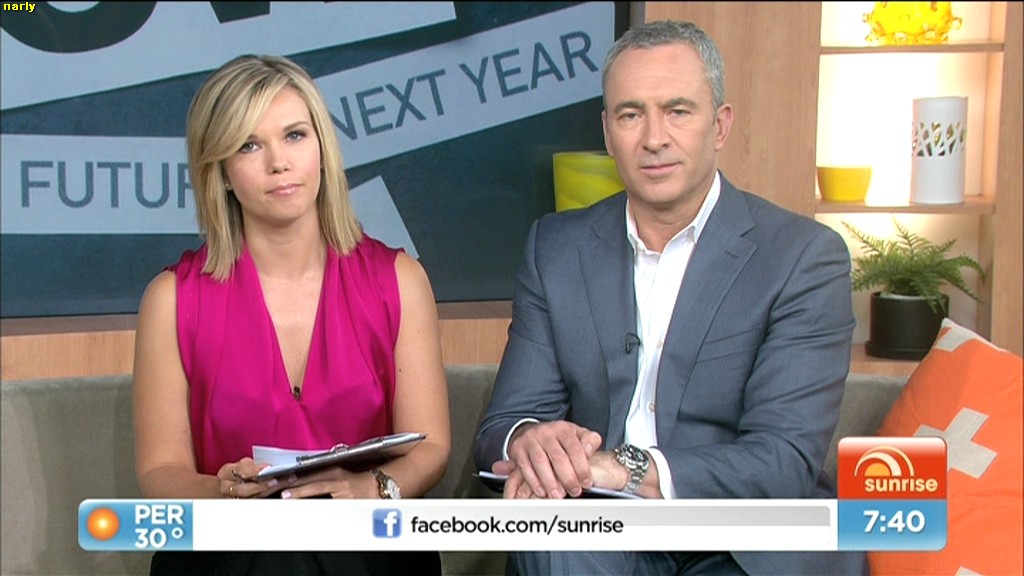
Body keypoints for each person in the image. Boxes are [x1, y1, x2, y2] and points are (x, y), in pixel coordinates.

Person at [473, 20, 867, 576]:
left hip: (742, 537)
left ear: (720, 125)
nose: (654, 138)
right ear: (608, 131)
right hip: (600, 528)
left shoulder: (802, 256)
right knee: (555, 536)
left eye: (677, 111)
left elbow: (783, 460)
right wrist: (532, 442)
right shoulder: (556, 248)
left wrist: (627, 468)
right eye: (631, 115)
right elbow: (505, 423)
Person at [132, 54, 450, 575]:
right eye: (249, 145)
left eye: (295, 136)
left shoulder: (398, 280)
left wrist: (370, 488)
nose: (278, 162)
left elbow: (430, 445)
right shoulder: (172, 299)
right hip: (232, 548)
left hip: (363, 540)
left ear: (322, 148)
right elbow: (160, 470)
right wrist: (223, 492)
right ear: (221, 171)